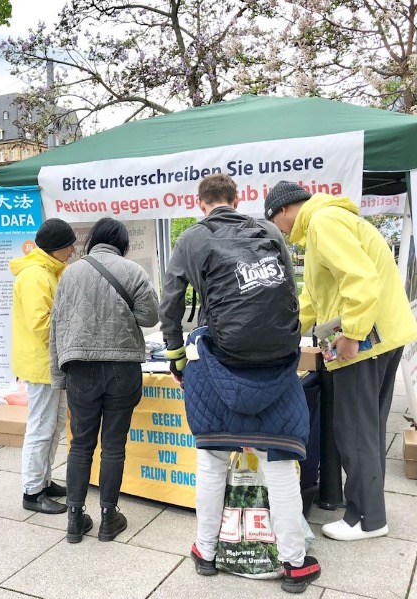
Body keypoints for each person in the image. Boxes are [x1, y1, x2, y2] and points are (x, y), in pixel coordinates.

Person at [159, 174, 321, 593]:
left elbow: (170, 304)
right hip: (277, 361)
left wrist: (177, 354)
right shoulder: (266, 230)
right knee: (281, 466)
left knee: (212, 463)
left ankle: (206, 552)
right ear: (237, 199)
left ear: (201, 204)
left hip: (222, 359)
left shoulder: (192, 239)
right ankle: (295, 565)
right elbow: (289, 286)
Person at [264, 180, 417, 542]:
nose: (280, 230)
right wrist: (281, 333)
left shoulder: (324, 223)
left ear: (284, 209)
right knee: (367, 429)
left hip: (365, 342)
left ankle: (366, 518)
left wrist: (353, 334)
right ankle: (369, 510)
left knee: (352, 430)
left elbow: (360, 280)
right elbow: (314, 299)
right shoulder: (328, 221)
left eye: (275, 221)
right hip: (384, 336)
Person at [50, 218, 159, 543]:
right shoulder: (134, 271)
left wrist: (59, 377)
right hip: (122, 368)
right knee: (114, 445)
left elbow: (57, 327)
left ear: (93, 241)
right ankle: (109, 518)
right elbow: (150, 317)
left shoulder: (69, 274)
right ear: (122, 243)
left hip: (80, 368)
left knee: (80, 445)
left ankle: (74, 518)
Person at [10, 218, 77, 515]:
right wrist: (76, 330)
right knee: (40, 428)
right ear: (56, 248)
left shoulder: (49, 271)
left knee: (51, 426)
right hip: (41, 365)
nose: (73, 250)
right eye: (69, 244)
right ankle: (32, 491)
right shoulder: (36, 276)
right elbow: (42, 324)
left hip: (50, 363)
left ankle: (44, 480)